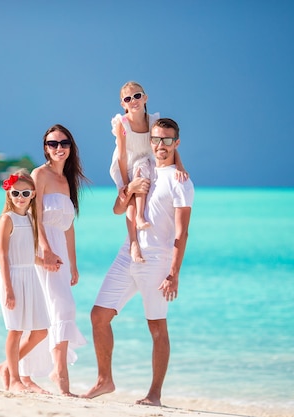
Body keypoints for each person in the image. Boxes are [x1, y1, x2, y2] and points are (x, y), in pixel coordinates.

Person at [84, 118, 194, 406]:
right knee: (98, 316)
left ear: (176, 143)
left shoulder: (181, 181)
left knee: (157, 328)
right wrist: (130, 188)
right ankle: (104, 379)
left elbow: (182, 233)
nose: (161, 145)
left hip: (157, 261)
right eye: (156, 139)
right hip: (128, 253)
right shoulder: (141, 168)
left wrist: (174, 273)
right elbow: (119, 209)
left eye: (168, 140)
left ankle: (154, 394)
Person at [23, 124, 89, 396]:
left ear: (71, 147)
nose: (58, 148)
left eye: (64, 143)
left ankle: (19, 371)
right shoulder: (40, 174)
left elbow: (69, 226)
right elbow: (35, 215)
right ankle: (59, 374)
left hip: (60, 253)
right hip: (44, 251)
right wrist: (45, 250)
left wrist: (73, 263)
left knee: (50, 313)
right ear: (45, 148)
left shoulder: (67, 180)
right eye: (52, 144)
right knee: (62, 309)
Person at [109, 81, 187, 264]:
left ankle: (144, 225)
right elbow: (121, 155)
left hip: (147, 161)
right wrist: (126, 184)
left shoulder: (152, 121)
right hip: (126, 164)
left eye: (137, 96)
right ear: (123, 104)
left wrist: (180, 166)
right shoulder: (122, 123)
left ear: (145, 98)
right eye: (128, 99)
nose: (133, 101)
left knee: (142, 171)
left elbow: (169, 143)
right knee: (131, 195)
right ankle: (134, 242)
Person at [0, 169, 51, 393]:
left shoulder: (29, 218)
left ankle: (6, 366)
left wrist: (43, 262)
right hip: (12, 277)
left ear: (33, 195)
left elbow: (25, 251)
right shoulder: (7, 219)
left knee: (40, 331)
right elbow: (4, 256)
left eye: (25, 193)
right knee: (15, 330)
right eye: (16, 193)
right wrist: (8, 288)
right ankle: (15, 378)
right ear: (9, 194)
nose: (20, 197)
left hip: (31, 276)